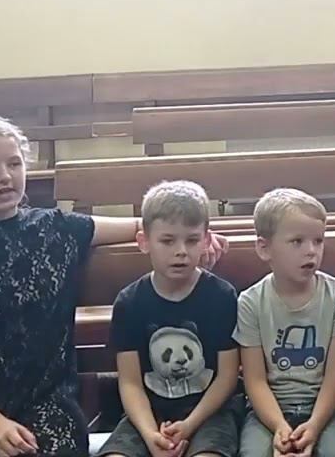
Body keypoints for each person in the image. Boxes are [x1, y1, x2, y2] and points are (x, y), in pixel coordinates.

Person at [0, 116, 226, 457]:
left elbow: (148, 226)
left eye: (14, 164)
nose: (4, 176)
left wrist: (195, 240)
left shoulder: (58, 229)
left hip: (47, 403)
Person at [97, 181, 240, 457]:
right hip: (148, 412)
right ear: (144, 242)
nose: (181, 251)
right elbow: (130, 383)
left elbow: (227, 377)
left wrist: (188, 426)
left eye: (192, 240)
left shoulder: (222, 296)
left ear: (206, 240)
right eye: (167, 241)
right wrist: (151, 435)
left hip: (210, 413)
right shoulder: (130, 302)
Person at [236, 188, 335, 457]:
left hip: (328, 406)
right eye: (297, 242)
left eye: (318, 241)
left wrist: (314, 426)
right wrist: (279, 427)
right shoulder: (250, 302)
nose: (311, 251)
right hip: (269, 409)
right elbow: (255, 380)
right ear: (264, 248)